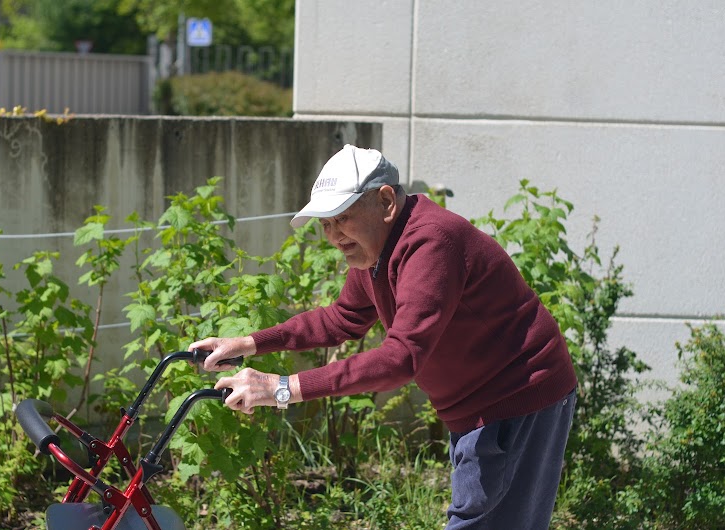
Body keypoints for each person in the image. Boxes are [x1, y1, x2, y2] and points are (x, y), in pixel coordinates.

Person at [189, 144, 578, 529]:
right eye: (325, 224)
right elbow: (342, 318)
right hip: (475, 407)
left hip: (517, 396)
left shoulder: (431, 243)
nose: (333, 235)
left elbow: (402, 357)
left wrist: (283, 387)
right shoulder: (375, 250)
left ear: (387, 201)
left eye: (342, 218)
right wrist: (248, 343)